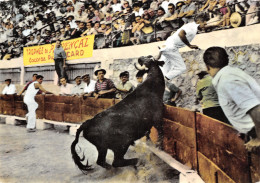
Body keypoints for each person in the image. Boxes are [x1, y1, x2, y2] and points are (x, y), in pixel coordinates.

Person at [203, 46, 260, 152]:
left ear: (207, 67)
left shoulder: (228, 80)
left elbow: (256, 108)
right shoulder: (229, 75)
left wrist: (258, 138)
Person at [156, 14, 206, 81]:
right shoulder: (192, 27)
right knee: (181, 68)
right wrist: (189, 45)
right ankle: (163, 80)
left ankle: (161, 79)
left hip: (166, 46)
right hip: (171, 47)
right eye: (204, 22)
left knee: (164, 69)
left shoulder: (190, 25)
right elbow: (181, 34)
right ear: (198, 22)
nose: (205, 24)